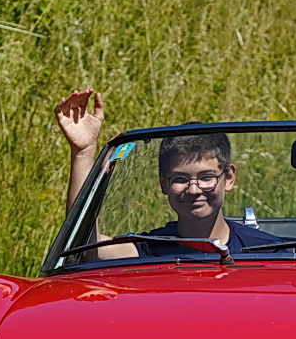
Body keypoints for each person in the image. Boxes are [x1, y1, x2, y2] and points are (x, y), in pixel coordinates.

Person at [54, 89, 283, 260]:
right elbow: (85, 248)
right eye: (180, 179)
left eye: (206, 177)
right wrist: (83, 152)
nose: (194, 190)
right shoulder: (152, 248)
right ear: (163, 182)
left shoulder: (267, 251)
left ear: (229, 178)